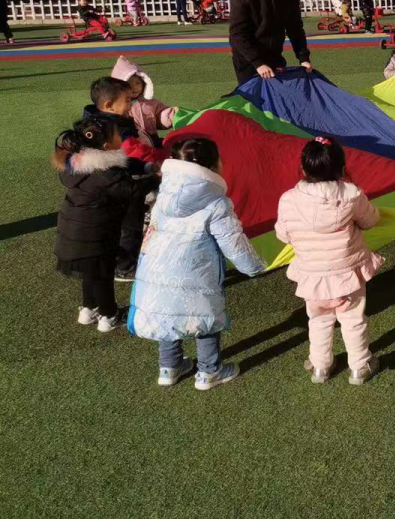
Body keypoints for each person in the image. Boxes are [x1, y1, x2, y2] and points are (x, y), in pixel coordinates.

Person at [128, 138, 266, 390]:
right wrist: (254, 266)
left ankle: (169, 367)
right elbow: (233, 243)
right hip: (196, 272)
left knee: (167, 314)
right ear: (213, 167)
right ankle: (209, 372)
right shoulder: (216, 203)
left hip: (156, 270)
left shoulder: (164, 195)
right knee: (205, 318)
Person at [275, 137, 383, 385]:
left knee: (319, 319)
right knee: (353, 319)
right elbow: (370, 220)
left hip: (312, 275)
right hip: (346, 273)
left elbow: (283, 234)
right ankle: (360, 365)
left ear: (303, 169)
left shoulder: (288, 199)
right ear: (342, 169)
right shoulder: (351, 194)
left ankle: (320, 366)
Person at [53, 117, 136, 333]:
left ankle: (88, 309)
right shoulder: (107, 174)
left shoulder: (76, 165)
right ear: (106, 146)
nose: (122, 137)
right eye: (118, 134)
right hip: (95, 235)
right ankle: (109, 316)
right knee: (103, 274)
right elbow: (131, 192)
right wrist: (154, 178)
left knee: (91, 273)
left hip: (73, 233)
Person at [82, 77, 163, 281]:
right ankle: (125, 268)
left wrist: (146, 165)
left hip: (111, 183)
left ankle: (117, 261)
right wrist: (149, 164)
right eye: (127, 100)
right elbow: (122, 157)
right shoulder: (110, 128)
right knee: (130, 226)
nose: (131, 104)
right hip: (119, 184)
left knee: (117, 225)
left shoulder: (100, 122)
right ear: (109, 105)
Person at [228, 0, 313, 84]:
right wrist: (258, 63)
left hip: (275, 56)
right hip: (248, 61)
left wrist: (303, 58)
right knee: (253, 103)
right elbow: (237, 34)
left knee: (276, 101)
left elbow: (295, 28)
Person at [110, 56, 176, 147]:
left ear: (144, 83)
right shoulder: (119, 105)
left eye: (138, 83)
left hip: (152, 139)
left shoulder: (151, 102)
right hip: (132, 142)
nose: (134, 87)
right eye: (129, 84)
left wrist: (169, 116)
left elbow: (159, 116)